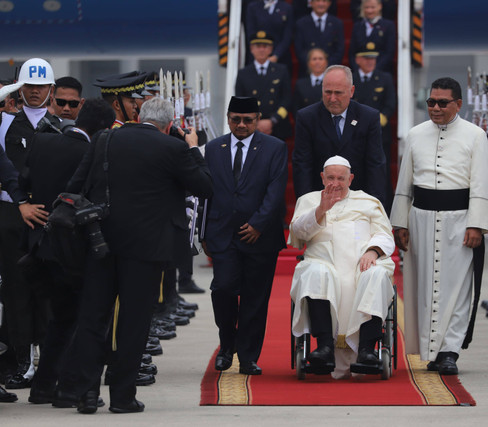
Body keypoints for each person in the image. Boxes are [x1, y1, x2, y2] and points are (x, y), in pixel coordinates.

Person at [55, 97, 213, 414]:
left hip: (100, 242)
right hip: (147, 250)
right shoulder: (173, 148)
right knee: (133, 322)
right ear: (169, 125)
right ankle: (123, 396)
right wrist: (194, 147)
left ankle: (86, 394)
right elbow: (206, 186)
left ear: (138, 115)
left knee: (92, 317)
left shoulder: (104, 138)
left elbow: (76, 186)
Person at [390, 77, 488, 375]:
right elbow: (404, 183)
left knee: (457, 289)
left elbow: (480, 183)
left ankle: (450, 350)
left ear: (458, 104)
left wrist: (476, 224)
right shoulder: (415, 134)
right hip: (420, 218)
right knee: (424, 286)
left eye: (442, 103)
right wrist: (400, 222)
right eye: (431, 102)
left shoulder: (475, 135)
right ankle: (431, 349)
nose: (435, 108)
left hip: (459, 221)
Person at [21, 99, 115, 405]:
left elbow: (24, 182)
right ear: (102, 129)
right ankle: (67, 390)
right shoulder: (94, 153)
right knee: (81, 320)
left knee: (60, 320)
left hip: (41, 246)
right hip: (74, 251)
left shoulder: (43, 143)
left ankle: (44, 386)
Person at [202, 96, 287, 376]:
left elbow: (276, 191)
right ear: (228, 118)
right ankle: (227, 345)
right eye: (236, 119)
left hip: (260, 237)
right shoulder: (214, 148)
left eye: (248, 120)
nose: (241, 125)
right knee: (222, 289)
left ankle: (248, 356)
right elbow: (206, 192)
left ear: (257, 119)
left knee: (255, 298)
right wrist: (203, 231)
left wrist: (258, 224)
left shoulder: (274, 148)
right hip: (223, 234)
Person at [289, 155, 395, 379]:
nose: (335, 183)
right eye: (330, 178)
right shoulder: (309, 200)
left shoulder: (368, 202)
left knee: (375, 275)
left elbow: (385, 235)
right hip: (322, 262)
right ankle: (325, 346)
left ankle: (367, 349)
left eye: (340, 178)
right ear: (321, 177)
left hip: (361, 264)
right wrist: (321, 209)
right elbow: (298, 233)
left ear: (351, 178)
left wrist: (373, 251)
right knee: (315, 273)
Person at [0, 58, 61, 390]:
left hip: (50, 218)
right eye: (29, 86)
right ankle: (21, 359)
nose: (35, 92)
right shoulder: (5, 126)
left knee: (50, 292)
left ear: (50, 89)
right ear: (19, 88)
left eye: (41, 87)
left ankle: (46, 358)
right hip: (12, 216)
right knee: (16, 290)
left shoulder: (63, 126)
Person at [292, 64, 387, 205]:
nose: (332, 98)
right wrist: (307, 204)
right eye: (327, 92)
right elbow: (302, 165)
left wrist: (373, 205)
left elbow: (375, 165)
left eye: (338, 93)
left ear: (351, 91)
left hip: (358, 200)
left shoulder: (368, 117)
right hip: (319, 200)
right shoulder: (307, 118)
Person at [352, 46, 396, 212]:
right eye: (366, 58)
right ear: (358, 60)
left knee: (380, 172)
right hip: (355, 133)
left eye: (373, 58)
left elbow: (390, 104)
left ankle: (384, 208)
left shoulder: (384, 78)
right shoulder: (352, 78)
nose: (370, 62)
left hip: (379, 133)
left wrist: (376, 123)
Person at [235, 31, 292, 141]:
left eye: (265, 46)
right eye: (258, 46)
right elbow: (240, 102)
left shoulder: (282, 71)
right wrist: (255, 122)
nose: (262, 49)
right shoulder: (243, 73)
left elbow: (287, 99)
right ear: (251, 49)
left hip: (277, 126)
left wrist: (273, 120)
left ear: (271, 49)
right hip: (252, 127)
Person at [294, 0, 345, 75]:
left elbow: (339, 49)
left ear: (329, 3)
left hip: (330, 71)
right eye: (317, 1)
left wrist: (326, 66)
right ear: (311, 3)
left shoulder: (337, 23)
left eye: (324, 1)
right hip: (308, 72)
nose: (321, 4)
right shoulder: (301, 23)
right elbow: (299, 49)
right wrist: (313, 65)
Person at [245, 0, 294, 71]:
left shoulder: (287, 8)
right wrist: (261, 54)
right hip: (257, 57)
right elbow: (250, 33)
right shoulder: (252, 7)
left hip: (281, 58)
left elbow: (287, 36)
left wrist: (276, 55)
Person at [349, 0, 396, 73]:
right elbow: (352, 53)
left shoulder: (388, 26)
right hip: (360, 72)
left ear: (380, 6)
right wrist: (359, 70)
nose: (369, 11)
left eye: (373, 7)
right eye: (366, 7)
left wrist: (373, 70)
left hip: (381, 72)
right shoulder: (357, 26)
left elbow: (389, 53)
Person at [293, 47, 328, 115]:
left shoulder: (332, 82)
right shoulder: (300, 84)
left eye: (320, 59)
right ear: (308, 63)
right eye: (314, 59)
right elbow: (296, 109)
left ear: (326, 62)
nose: (317, 62)